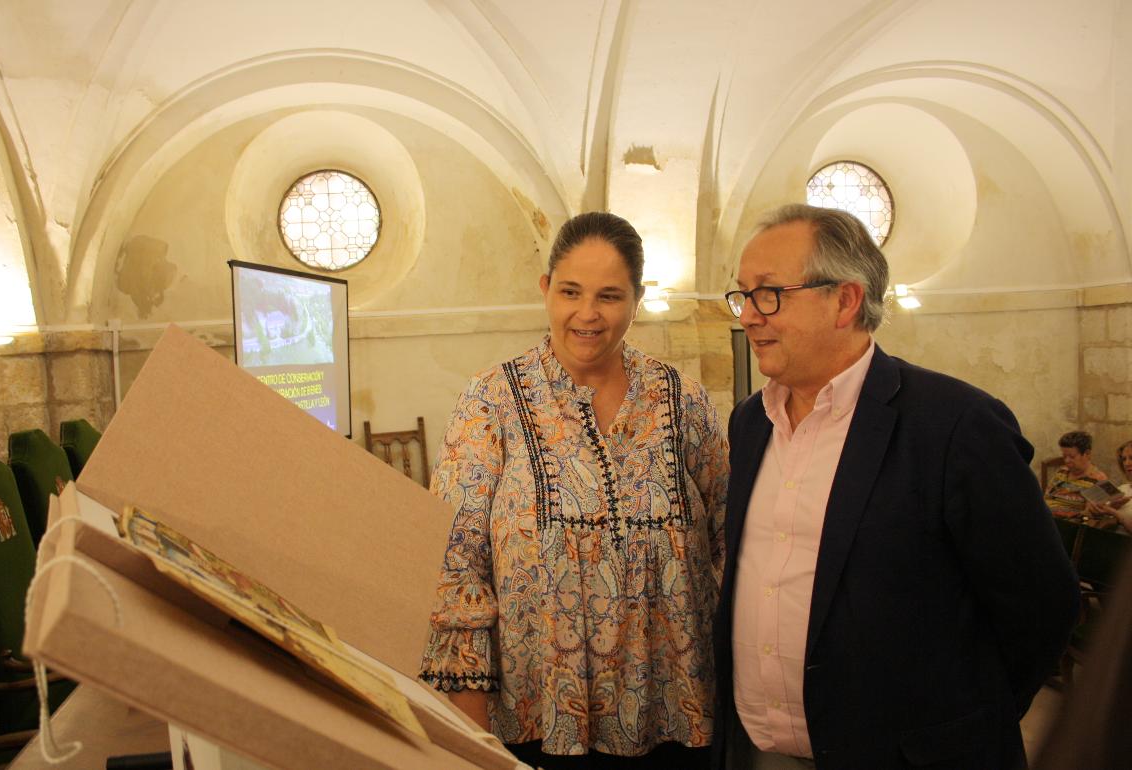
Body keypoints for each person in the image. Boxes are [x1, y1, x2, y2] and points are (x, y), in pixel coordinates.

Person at [714, 204, 1079, 770]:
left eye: (768, 294)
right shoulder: (750, 422)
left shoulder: (956, 424)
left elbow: (1042, 605)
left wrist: (962, 727)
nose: (749, 316)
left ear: (845, 300)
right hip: (760, 750)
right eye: (743, 295)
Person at [419, 212, 729, 769]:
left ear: (637, 300)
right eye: (570, 292)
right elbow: (455, 570)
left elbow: (731, 541)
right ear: (546, 289)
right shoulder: (490, 402)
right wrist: (473, 741)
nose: (588, 314)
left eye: (609, 296)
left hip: (678, 724)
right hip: (538, 726)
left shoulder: (683, 400)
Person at [1043, 431, 1109, 518]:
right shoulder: (1062, 471)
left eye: (1072, 457)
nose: (1067, 461)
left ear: (1087, 454)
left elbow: (1089, 515)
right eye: (1064, 456)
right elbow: (1046, 497)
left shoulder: (1099, 479)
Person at [1083, 439, 1132, 531]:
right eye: (1124, 459)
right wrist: (1095, 510)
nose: (1126, 463)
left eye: (1131, 458)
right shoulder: (1123, 489)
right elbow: (1087, 517)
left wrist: (1115, 513)